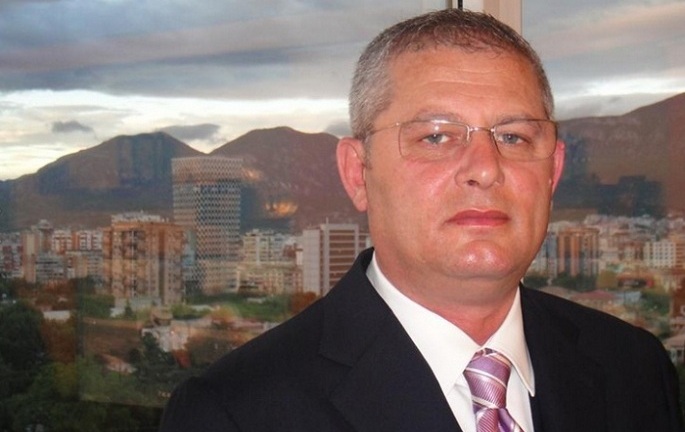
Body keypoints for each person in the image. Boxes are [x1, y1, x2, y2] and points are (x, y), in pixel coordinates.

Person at [159, 8, 684, 432]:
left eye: (514, 136)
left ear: (553, 171)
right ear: (358, 172)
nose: (485, 168)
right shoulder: (236, 413)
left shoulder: (633, 368)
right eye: (436, 136)